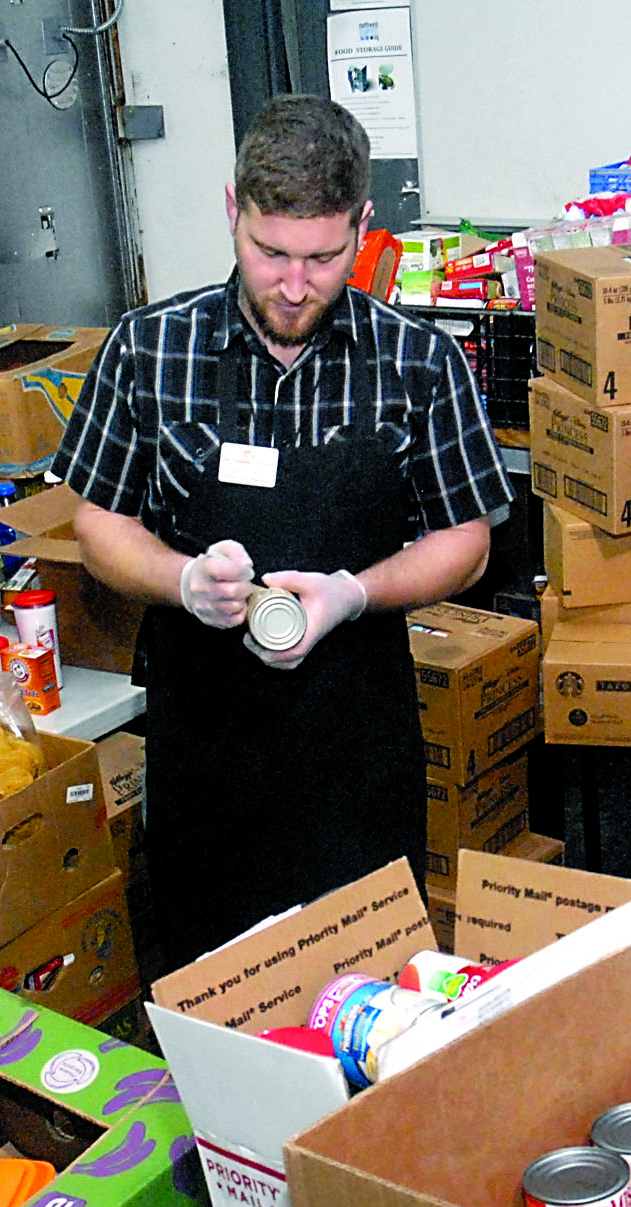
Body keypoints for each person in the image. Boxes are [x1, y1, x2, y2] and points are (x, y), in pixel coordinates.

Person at [51, 94, 513, 972]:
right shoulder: (151, 349)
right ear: (233, 211)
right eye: (269, 252)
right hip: (205, 765)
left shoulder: (417, 362)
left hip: (356, 761)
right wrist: (181, 578)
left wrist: (354, 594)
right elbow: (98, 522)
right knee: (215, 1016)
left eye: (323, 256)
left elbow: (469, 539)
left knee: (368, 1019)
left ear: (363, 229)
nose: (294, 285)